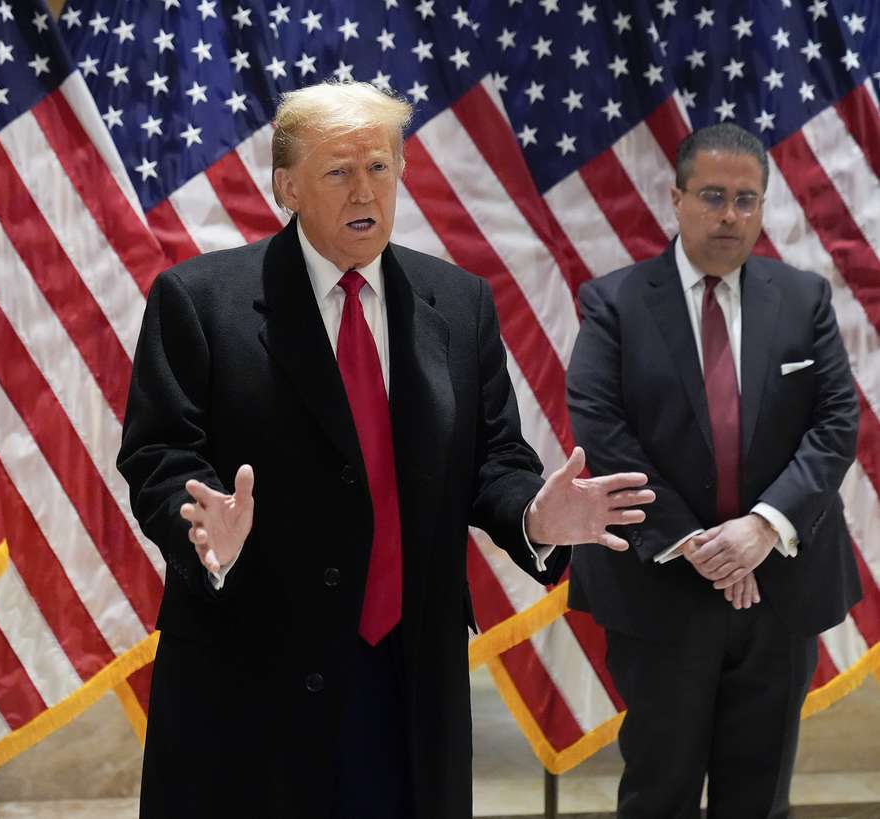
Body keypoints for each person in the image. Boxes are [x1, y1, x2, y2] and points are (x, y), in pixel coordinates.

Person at [118, 80, 655, 819]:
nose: (363, 188)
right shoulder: (200, 301)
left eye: (379, 167)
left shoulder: (457, 303)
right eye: (339, 171)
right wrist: (203, 527)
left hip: (407, 683)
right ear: (288, 186)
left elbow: (494, 459)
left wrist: (534, 515)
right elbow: (159, 454)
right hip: (254, 680)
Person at [566, 123, 860, 818]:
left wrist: (761, 527)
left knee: (758, 797)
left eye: (745, 200)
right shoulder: (613, 303)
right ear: (676, 197)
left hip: (780, 584)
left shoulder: (803, 298)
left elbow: (836, 424)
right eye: (713, 196)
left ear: (762, 205)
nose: (730, 215)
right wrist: (696, 543)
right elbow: (601, 431)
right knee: (659, 791)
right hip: (660, 584)